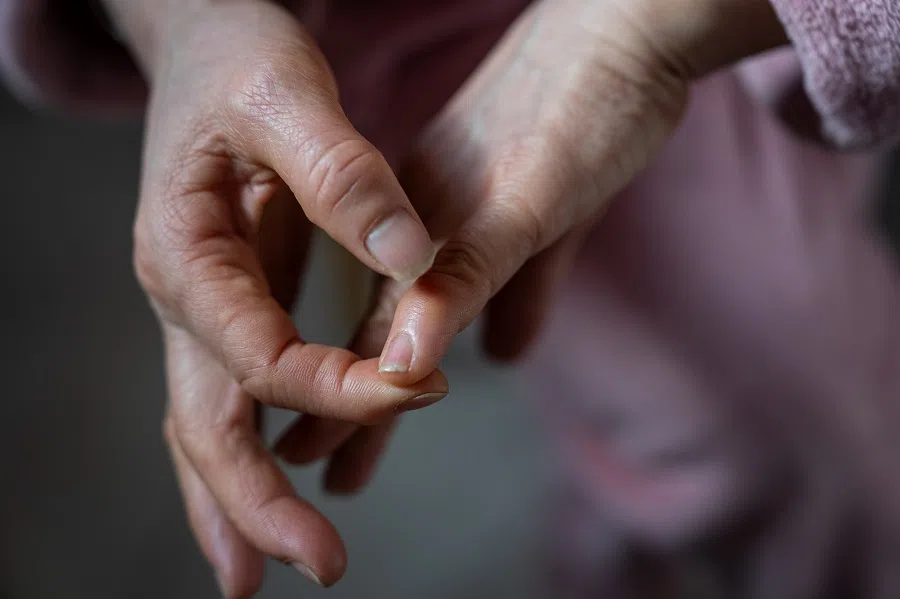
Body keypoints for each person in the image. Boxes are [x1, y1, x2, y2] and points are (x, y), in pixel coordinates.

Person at [3, 0, 900, 597]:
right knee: (750, 402)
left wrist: (645, 28)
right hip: (383, 30)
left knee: (814, 420)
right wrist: (181, 18)